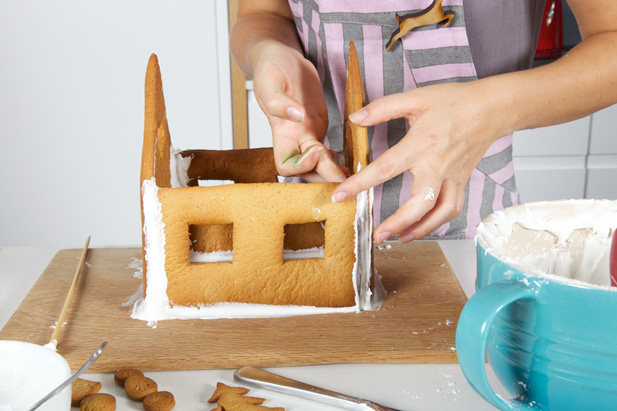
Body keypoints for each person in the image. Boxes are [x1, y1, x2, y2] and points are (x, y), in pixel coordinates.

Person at [229, 0, 617, 243]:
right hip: (314, 202)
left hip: (471, 219)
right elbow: (263, 13)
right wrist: (267, 50)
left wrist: (487, 109)